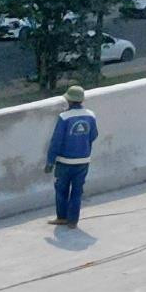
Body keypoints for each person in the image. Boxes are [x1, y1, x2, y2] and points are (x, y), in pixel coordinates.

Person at [43, 87, 101, 230]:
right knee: (77, 191)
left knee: (61, 190)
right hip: (83, 161)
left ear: (68, 100)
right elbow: (93, 135)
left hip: (64, 162)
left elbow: (56, 141)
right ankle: (73, 222)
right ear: (82, 100)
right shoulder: (91, 115)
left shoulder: (64, 117)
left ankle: (62, 217)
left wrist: (50, 161)